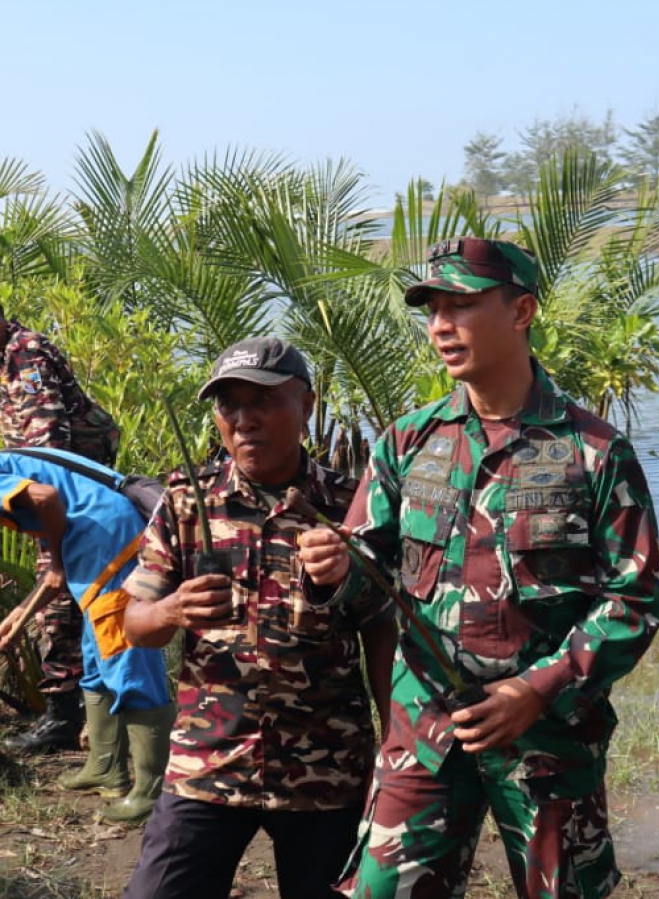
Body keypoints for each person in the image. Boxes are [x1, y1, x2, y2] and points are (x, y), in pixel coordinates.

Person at [299, 237, 659, 899]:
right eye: (433, 308)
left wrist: (536, 689)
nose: (441, 324)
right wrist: (332, 568)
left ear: (521, 310)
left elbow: (634, 597)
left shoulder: (591, 450)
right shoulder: (409, 442)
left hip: (548, 734)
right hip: (427, 725)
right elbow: (367, 572)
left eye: (462, 305)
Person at [120, 337, 397, 899]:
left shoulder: (353, 504)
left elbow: (384, 629)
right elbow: (135, 625)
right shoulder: (184, 500)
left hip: (325, 770)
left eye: (263, 401)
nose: (244, 420)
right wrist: (173, 609)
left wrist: (395, 747)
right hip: (208, 763)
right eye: (229, 406)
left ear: (307, 405)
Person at [0, 447, 172, 822]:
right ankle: (106, 768)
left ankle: (153, 793)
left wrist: (58, 563)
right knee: (96, 659)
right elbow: (53, 558)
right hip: (99, 536)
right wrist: (21, 611)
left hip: (107, 537)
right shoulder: (11, 460)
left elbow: (46, 500)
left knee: (126, 658)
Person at [0, 305, 121, 754]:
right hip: (60, 491)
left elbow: (46, 451)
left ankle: (64, 718)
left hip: (73, 495)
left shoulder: (23, 355)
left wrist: (52, 552)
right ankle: (81, 717)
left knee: (62, 594)